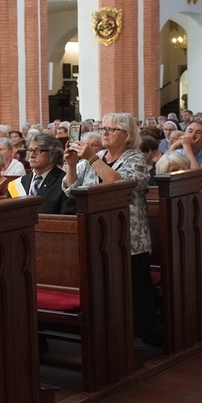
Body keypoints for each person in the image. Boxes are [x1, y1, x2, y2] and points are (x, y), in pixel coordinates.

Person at [63, 113, 155, 342]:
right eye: (103, 128)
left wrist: (92, 158)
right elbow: (70, 190)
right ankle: (109, 335)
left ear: (127, 134)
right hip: (97, 234)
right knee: (104, 289)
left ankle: (139, 339)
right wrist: (72, 165)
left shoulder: (134, 157)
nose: (104, 132)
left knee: (132, 289)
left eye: (111, 129)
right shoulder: (97, 156)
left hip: (129, 236)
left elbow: (118, 183)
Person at [16, 133, 76, 214]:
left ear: (53, 153)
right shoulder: (19, 183)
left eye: (37, 150)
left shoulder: (65, 182)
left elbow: (68, 218)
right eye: (30, 150)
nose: (31, 155)